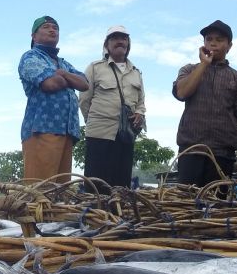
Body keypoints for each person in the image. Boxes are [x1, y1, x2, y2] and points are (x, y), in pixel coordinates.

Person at [172, 20, 237, 187]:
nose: (213, 43)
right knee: (186, 204)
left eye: (219, 40)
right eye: (209, 39)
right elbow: (181, 93)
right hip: (190, 151)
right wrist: (204, 64)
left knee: (217, 207)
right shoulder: (188, 70)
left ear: (229, 46)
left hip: (223, 155)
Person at [19, 16, 88, 185]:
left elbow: (85, 83)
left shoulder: (63, 64)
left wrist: (62, 74)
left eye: (55, 28)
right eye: (46, 27)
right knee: (41, 190)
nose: (52, 30)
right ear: (34, 36)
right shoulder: (30, 57)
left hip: (67, 131)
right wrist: (68, 79)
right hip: (43, 129)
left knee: (61, 189)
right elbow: (50, 84)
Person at [80, 26, 146, 191]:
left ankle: (117, 215)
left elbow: (141, 102)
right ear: (107, 45)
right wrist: (95, 121)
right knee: (95, 184)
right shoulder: (95, 68)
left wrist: (139, 112)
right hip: (99, 134)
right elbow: (84, 100)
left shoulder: (136, 72)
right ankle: (94, 215)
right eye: (115, 38)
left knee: (121, 184)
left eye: (123, 38)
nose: (120, 41)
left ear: (128, 44)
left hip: (125, 137)